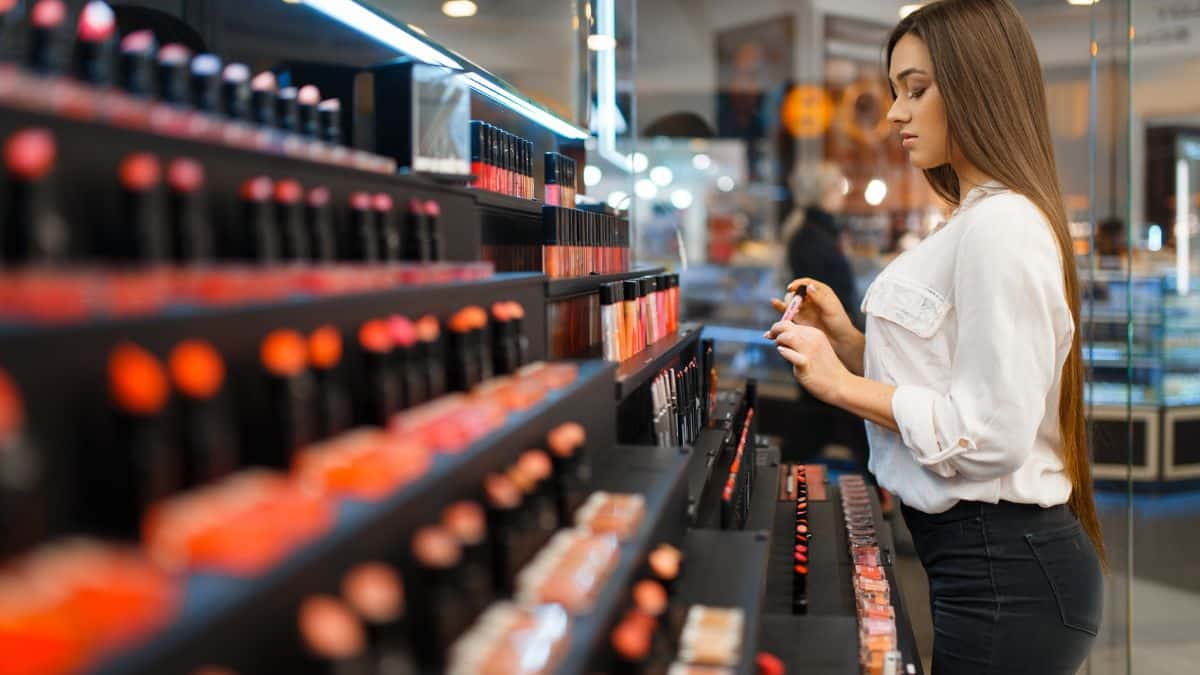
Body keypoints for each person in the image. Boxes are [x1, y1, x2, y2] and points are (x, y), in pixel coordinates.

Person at [764, 2, 1104, 673]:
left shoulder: (1001, 225)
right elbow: (955, 378)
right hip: (983, 567)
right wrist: (852, 343)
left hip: (1004, 577)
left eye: (916, 90)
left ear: (979, 85)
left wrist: (843, 383)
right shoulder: (971, 220)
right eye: (896, 92)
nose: (894, 114)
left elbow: (990, 428)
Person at [780, 161, 859, 325]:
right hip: (824, 328)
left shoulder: (820, 230)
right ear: (825, 191)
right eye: (838, 186)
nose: (842, 194)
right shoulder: (811, 237)